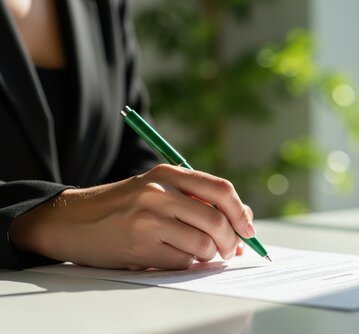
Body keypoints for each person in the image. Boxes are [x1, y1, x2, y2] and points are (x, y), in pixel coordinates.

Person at [0, 0, 254, 270]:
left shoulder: (105, 6)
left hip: (98, 300)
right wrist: (49, 220)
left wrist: (176, 205)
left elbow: (131, 149)